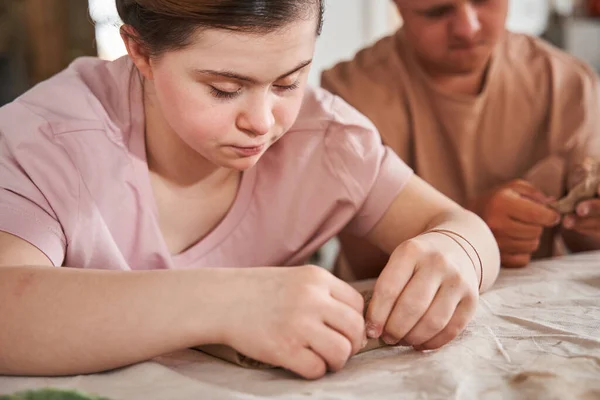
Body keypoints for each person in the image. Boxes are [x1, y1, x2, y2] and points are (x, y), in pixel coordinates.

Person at [0, 0, 500, 380]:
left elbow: (461, 227)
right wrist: (228, 304)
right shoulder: (50, 140)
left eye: (288, 83)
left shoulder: (325, 140)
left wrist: (455, 253)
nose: (262, 123)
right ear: (140, 52)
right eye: (224, 89)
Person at [322, 0, 600, 276]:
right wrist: (466, 232)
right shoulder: (348, 94)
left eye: (483, 1)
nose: (468, 28)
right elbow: (363, 265)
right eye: (436, 11)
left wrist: (589, 218)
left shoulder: (570, 84)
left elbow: (585, 247)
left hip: (536, 296)